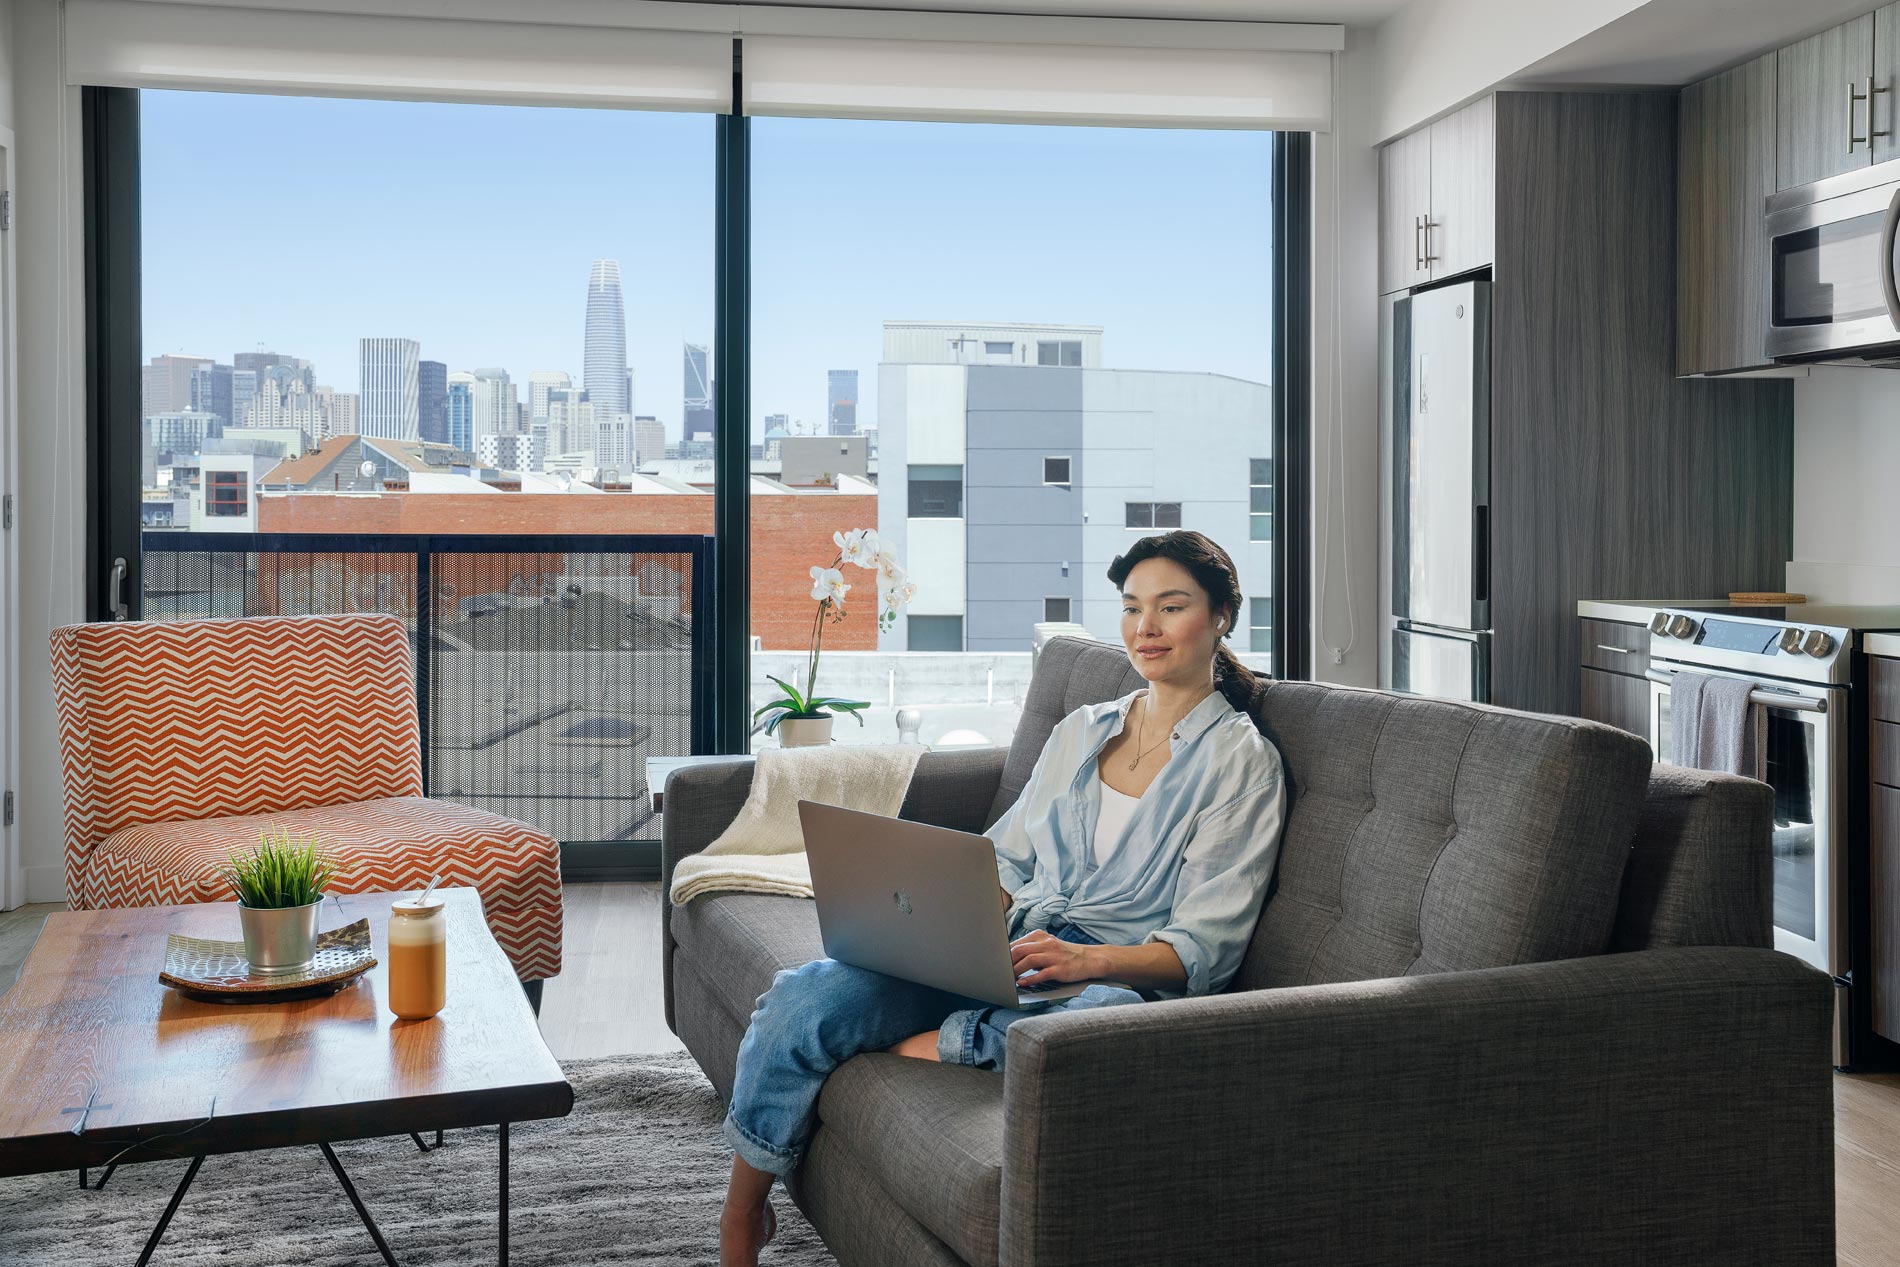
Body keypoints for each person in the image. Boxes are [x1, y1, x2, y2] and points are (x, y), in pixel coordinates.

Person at [717, 530, 1288, 1266]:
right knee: (805, 996)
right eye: (1132, 607)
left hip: (1108, 979)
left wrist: (1086, 962)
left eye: (1170, 607)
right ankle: (742, 1215)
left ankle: (957, 1038)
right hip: (1006, 950)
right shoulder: (1085, 729)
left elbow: (1202, 951)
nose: (1144, 628)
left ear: (1221, 616)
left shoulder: (1242, 763)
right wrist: (939, 922)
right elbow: (1008, 857)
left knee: (1093, 1026)